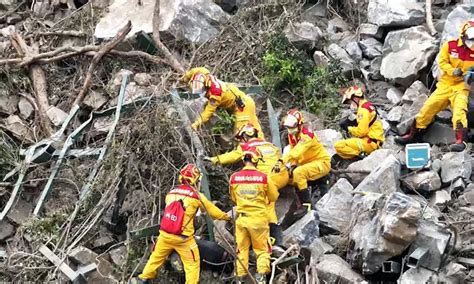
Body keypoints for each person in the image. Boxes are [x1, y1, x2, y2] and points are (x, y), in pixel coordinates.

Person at [138, 164, 230, 284]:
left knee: (155, 258)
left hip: (165, 235)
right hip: (183, 239)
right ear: (196, 180)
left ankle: (143, 279)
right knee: (192, 265)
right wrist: (226, 217)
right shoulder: (196, 196)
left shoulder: (171, 193)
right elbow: (213, 212)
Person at [205, 123, 289, 253]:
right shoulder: (269, 145)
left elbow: (232, 156)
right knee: (270, 201)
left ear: (245, 136)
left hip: (268, 178)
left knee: (268, 205)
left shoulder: (247, 147)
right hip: (283, 176)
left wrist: (214, 160)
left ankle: (275, 241)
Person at [396, 20, 474, 151]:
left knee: (460, 110)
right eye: (470, 38)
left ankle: (461, 141)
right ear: (463, 35)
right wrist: (452, 70)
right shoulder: (450, 46)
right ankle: (413, 135)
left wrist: (471, 73)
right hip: (445, 84)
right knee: (428, 107)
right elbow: (442, 62)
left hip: (462, 86)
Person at [229, 147, 279, 284]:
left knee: (241, 249)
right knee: (262, 249)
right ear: (256, 160)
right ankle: (261, 276)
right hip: (258, 220)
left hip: (242, 220)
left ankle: (239, 278)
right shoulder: (263, 178)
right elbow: (274, 196)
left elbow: (233, 198)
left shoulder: (234, 178)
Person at [272, 109, 331, 217]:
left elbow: (297, 151)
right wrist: (292, 164)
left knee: (298, 173)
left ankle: (307, 204)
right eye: (288, 128)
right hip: (307, 164)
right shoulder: (293, 135)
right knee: (290, 175)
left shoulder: (307, 136)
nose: (289, 130)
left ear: (299, 125)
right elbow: (295, 152)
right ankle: (302, 201)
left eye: (292, 127)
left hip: (321, 162)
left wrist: (282, 160)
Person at [182, 67, 264, 138]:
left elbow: (208, 112)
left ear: (205, 85)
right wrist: (185, 78)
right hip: (245, 102)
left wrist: (197, 123)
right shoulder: (203, 72)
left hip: (242, 107)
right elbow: (193, 71)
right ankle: (261, 144)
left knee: (240, 133)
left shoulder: (215, 93)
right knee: (255, 127)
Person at [334, 86, 385, 160]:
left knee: (338, 145)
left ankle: (361, 156)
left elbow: (361, 132)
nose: (351, 104)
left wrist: (349, 128)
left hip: (370, 143)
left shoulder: (363, 110)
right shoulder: (367, 105)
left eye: (350, 102)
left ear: (355, 99)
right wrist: (354, 123)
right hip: (374, 141)